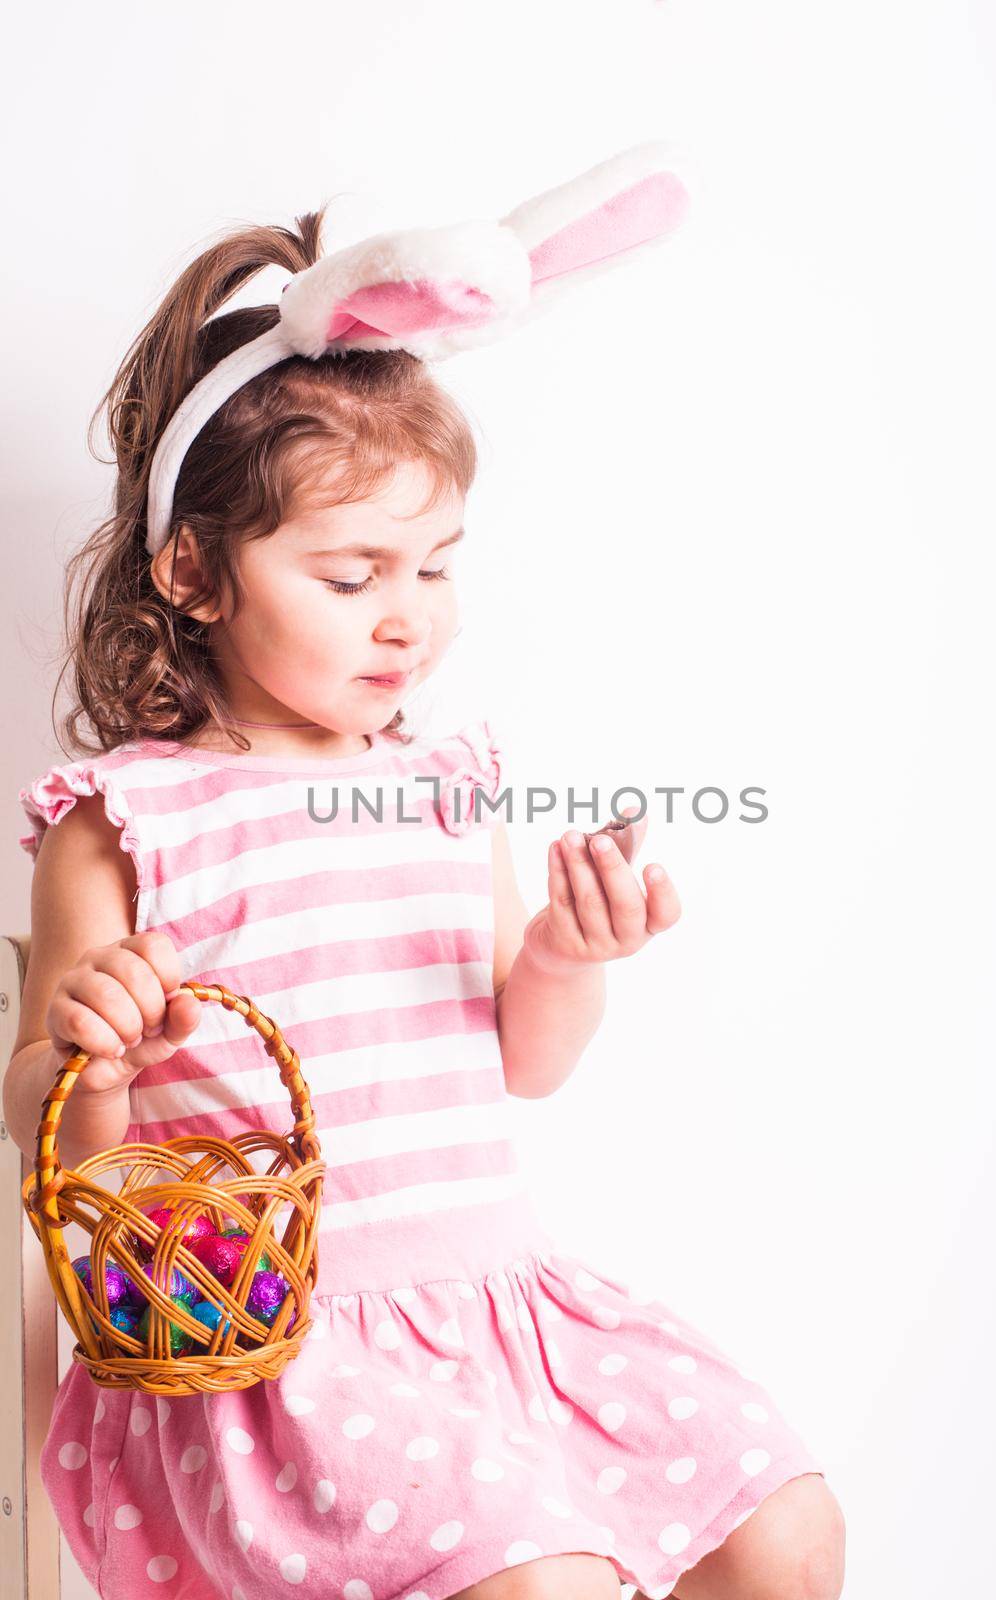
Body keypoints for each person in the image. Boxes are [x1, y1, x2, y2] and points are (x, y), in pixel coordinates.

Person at [6, 147, 845, 1600]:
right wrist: (99, 1057)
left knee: (787, 1531)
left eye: (437, 566)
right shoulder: (122, 815)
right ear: (195, 575)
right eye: (353, 575)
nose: (409, 620)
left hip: (497, 1308)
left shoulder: (446, 786)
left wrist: (569, 962)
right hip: (274, 1352)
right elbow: (42, 1121)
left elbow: (520, 1058)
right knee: (547, 1587)